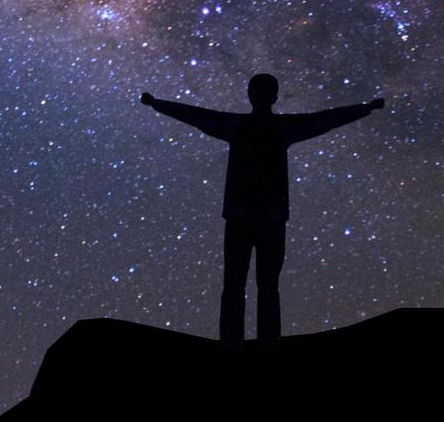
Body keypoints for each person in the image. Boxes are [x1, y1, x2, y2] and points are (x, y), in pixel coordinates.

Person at [140, 74, 383, 343]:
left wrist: (364, 109)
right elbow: (323, 120)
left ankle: (248, 342)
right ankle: (250, 343)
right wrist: (364, 109)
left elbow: (324, 120)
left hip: (255, 217)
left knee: (251, 285)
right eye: (258, 90)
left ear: (264, 95)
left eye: (262, 90)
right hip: (260, 216)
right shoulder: (273, 127)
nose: (260, 95)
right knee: (251, 285)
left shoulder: (247, 126)